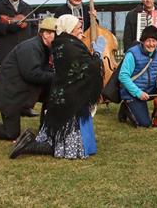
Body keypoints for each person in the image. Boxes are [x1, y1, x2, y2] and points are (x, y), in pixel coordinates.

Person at [9, 14, 105, 159]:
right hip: (71, 100)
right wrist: (97, 54)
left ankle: (29, 142)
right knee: (63, 145)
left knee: (55, 137)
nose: (81, 30)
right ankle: (28, 145)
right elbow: (88, 68)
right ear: (69, 28)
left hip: (65, 96)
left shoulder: (63, 43)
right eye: (78, 27)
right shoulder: (69, 46)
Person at [118, 25, 157, 127]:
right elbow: (123, 76)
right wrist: (138, 93)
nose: (151, 44)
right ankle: (126, 107)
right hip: (133, 93)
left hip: (149, 89)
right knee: (144, 124)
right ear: (142, 41)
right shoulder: (132, 54)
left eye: (154, 41)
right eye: (148, 41)